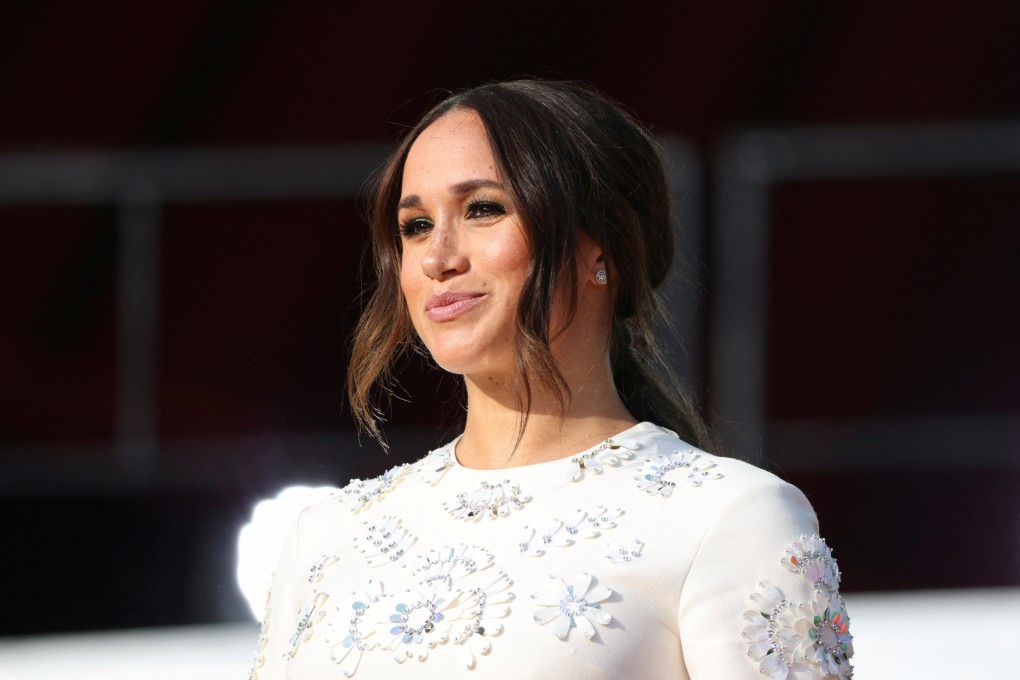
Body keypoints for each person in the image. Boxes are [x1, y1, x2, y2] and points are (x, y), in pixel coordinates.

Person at [250, 80, 854, 679]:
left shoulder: (727, 519)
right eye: (415, 227)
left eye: (483, 209)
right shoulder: (325, 537)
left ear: (604, 248)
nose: (438, 258)